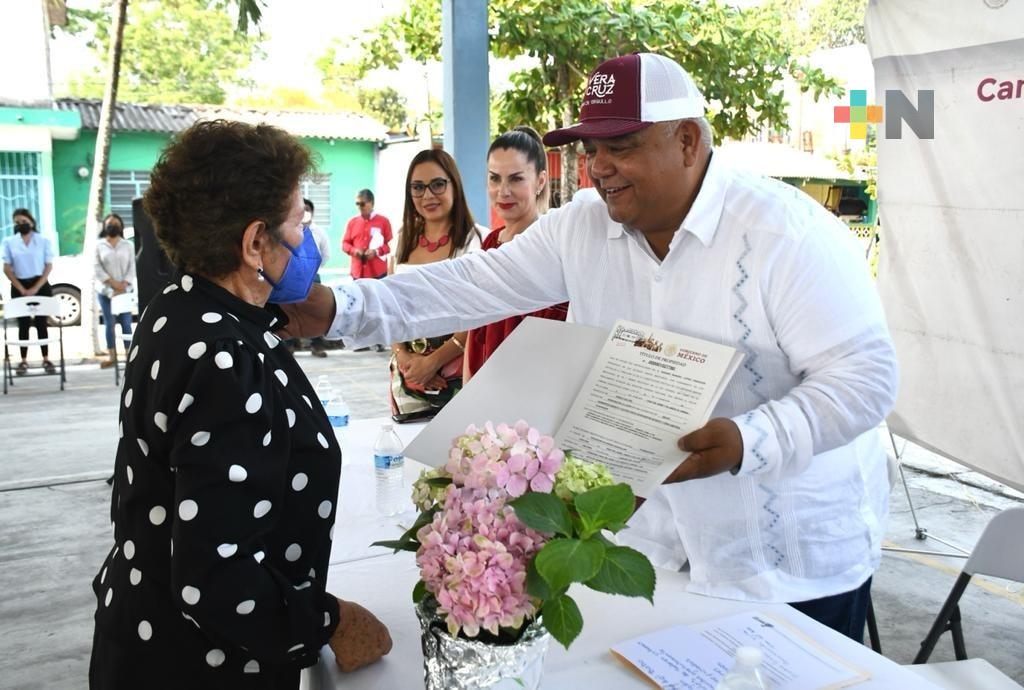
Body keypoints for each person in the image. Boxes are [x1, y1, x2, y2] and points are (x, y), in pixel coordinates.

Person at [280, 53, 898, 643]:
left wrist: (748, 441)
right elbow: (473, 284)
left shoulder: (785, 235)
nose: (597, 167)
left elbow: (864, 379)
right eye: (590, 149)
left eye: (621, 147)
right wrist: (343, 309)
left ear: (687, 140)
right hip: (649, 547)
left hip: (783, 561)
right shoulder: (585, 225)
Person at [88, 120, 391, 689]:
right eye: (300, 223)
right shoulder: (225, 358)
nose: (309, 241)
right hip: (202, 665)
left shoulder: (178, 308)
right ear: (255, 242)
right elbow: (216, 579)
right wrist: (328, 622)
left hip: (145, 635)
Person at [464, 126, 568, 382]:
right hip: (481, 390)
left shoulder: (551, 247)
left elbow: (556, 340)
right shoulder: (490, 241)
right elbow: (475, 328)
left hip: (529, 391)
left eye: (516, 178)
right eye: (494, 178)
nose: (503, 191)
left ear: (540, 181)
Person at [386, 149, 483, 422]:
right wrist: (403, 356)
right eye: (417, 187)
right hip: (407, 376)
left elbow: (479, 314)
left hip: (456, 372)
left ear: (454, 184)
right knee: (406, 453)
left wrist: (433, 362)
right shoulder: (403, 238)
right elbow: (390, 306)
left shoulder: (474, 241)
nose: (427, 195)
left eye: (438, 184)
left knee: (457, 454)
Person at [2, 208, 57, 375]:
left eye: (24, 222)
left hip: (39, 284)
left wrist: (35, 288)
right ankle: (23, 361)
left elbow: (48, 266)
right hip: (19, 285)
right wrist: (21, 288)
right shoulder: (9, 242)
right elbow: (6, 268)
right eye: (17, 223)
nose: (21, 225)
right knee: (23, 325)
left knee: (41, 323)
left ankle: (46, 359)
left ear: (32, 223)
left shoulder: (43, 241)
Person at [341, 189, 392, 352]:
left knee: (376, 307)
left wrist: (376, 252)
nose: (360, 207)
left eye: (362, 203)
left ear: (371, 203)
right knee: (360, 307)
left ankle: (378, 340)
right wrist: (354, 251)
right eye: (357, 204)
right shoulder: (352, 222)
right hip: (358, 272)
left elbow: (390, 245)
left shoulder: (383, 222)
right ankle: (360, 341)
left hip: (377, 271)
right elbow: (344, 244)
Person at [94, 213, 136, 369]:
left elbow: (132, 267)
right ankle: (112, 357)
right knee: (109, 323)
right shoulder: (99, 245)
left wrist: (123, 285)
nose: (113, 226)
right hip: (105, 291)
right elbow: (97, 268)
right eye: (110, 224)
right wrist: (113, 284)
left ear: (121, 226)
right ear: (105, 226)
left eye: (116, 224)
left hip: (124, 291)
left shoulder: (128, 245)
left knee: (126, 323)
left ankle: (129, 356)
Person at [303, 198, 331, 358]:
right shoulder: (291, 230)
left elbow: (326, 255)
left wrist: (314, 269)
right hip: (293, 278)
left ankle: (317, 345)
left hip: (313, 277)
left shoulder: (318, 232)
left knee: (315, 311)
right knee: (288, 309)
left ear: (312, 212)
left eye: (307, 209)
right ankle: (289, 346)